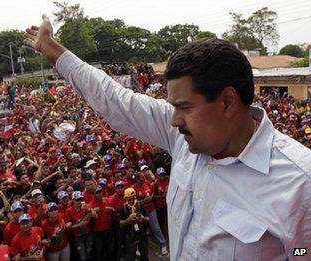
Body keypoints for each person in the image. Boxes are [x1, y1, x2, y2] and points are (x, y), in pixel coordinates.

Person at [24, 15, 311, 260]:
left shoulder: (300, 183)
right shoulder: (182, 137)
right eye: (173, 107)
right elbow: (116, 100)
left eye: (184, 107)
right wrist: (52, 49)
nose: (174, 120)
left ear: (227, 102)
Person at [119, 188, 149, 261]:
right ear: (125, 198)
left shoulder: (140, 204)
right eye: (129, 199)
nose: (132, 201)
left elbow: (147, 218)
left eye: (133, 198)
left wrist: (142, 219)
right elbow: (121, 224)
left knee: (145, 255)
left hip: (142, 234)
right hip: (130, 236)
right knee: (131, 257)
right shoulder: (123, 208)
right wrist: (128, 219)